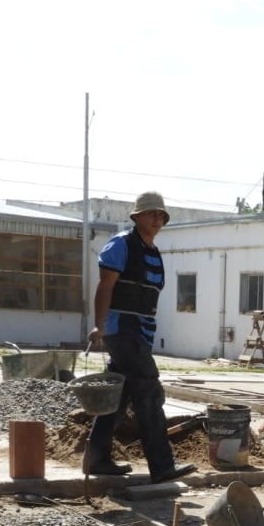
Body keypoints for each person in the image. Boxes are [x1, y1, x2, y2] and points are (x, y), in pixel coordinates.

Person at [82, 191, 196, 482]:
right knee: (149, 393)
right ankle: (162, 467)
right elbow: (105, 287)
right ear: (137, 217)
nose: (157, 219)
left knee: (117, 397)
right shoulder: (122, 244)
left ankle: (97, 459)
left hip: (141, 331)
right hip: (123, 329)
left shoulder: (152, 250)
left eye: (161, 215)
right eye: (151, 214)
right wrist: (99, 325)